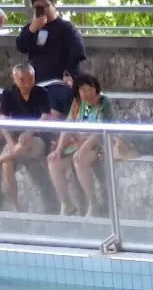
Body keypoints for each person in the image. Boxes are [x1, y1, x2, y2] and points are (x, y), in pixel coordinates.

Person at [46, 73, 114, 216]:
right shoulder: (78, 103)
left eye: (89, 89)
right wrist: (59, 150)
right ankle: (67, 205)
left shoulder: (103, 103)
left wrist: (82, 149)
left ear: (96, 88)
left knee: (79, 161)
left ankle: (93, 204)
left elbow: (98, 132)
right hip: (78, 143)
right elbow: (68, 126)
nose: (86, 94)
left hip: (99, 144)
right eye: (82, 90)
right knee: (53, 162)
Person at [0, 66, 51, 211]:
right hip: (16, 140)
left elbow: (45, 118)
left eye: (30, 79)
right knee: (7, 165)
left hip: (37, 138)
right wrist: (10, 141)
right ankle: (16, 206)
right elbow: (4, 121)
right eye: (22, 80)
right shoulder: (8, 94)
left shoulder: (41, 93)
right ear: (14, 79)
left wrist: (30, 132)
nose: (27, 83)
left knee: (26, 142)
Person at [15, 0, 83, 117]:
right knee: (14, 95)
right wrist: (31, 30)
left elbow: (77, 51)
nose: (43, 10)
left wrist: (68, 73)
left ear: (53, 5)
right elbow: (21, 46)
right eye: (38, 8)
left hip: (58, 79)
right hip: (35, 80)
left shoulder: (65, 27)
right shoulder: (31, 29)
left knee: (54, 99)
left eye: (46, 5)